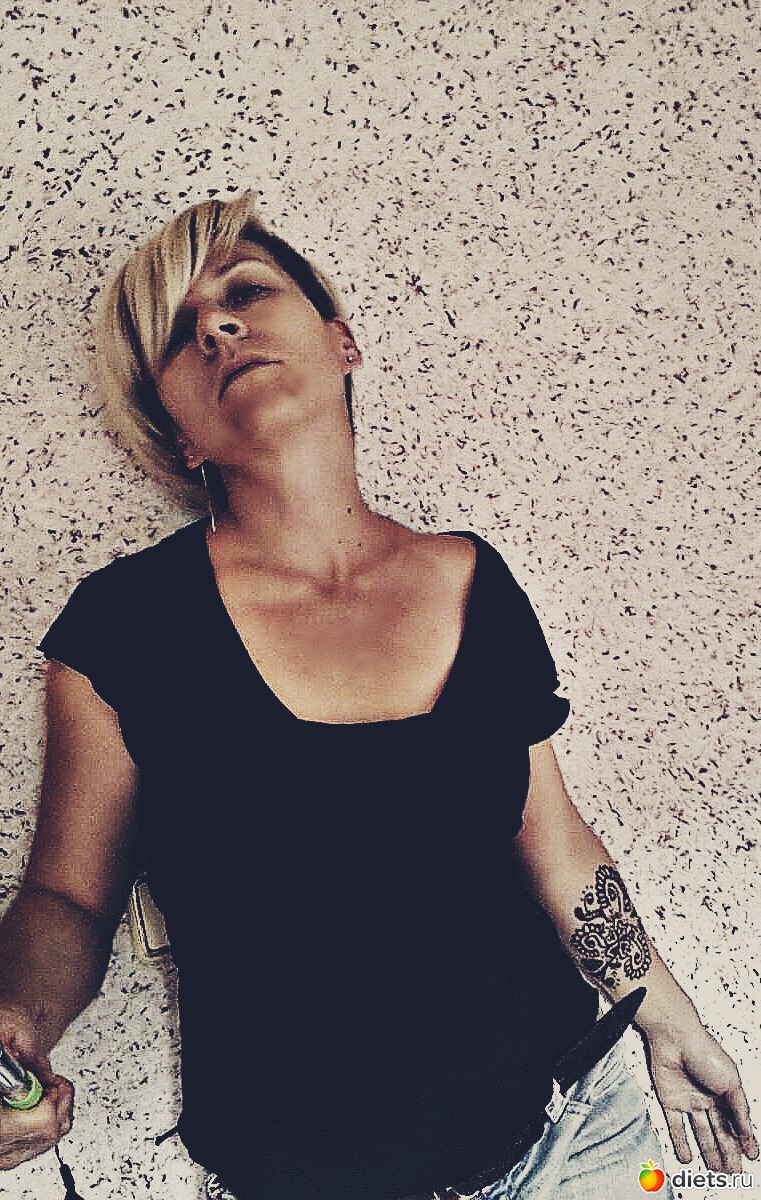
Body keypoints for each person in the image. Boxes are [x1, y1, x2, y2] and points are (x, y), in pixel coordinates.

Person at [0, 193, 756, 1200]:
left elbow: (552, 839)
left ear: (340, 341)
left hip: (576, 1131)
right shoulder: (124, 628)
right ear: (179, 437)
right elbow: (68, 897)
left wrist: (669, 1018)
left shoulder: (471, 580)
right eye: (179, 335)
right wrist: (17, 1024)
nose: (216, 327)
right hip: (311, 1176)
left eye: (244, 293)